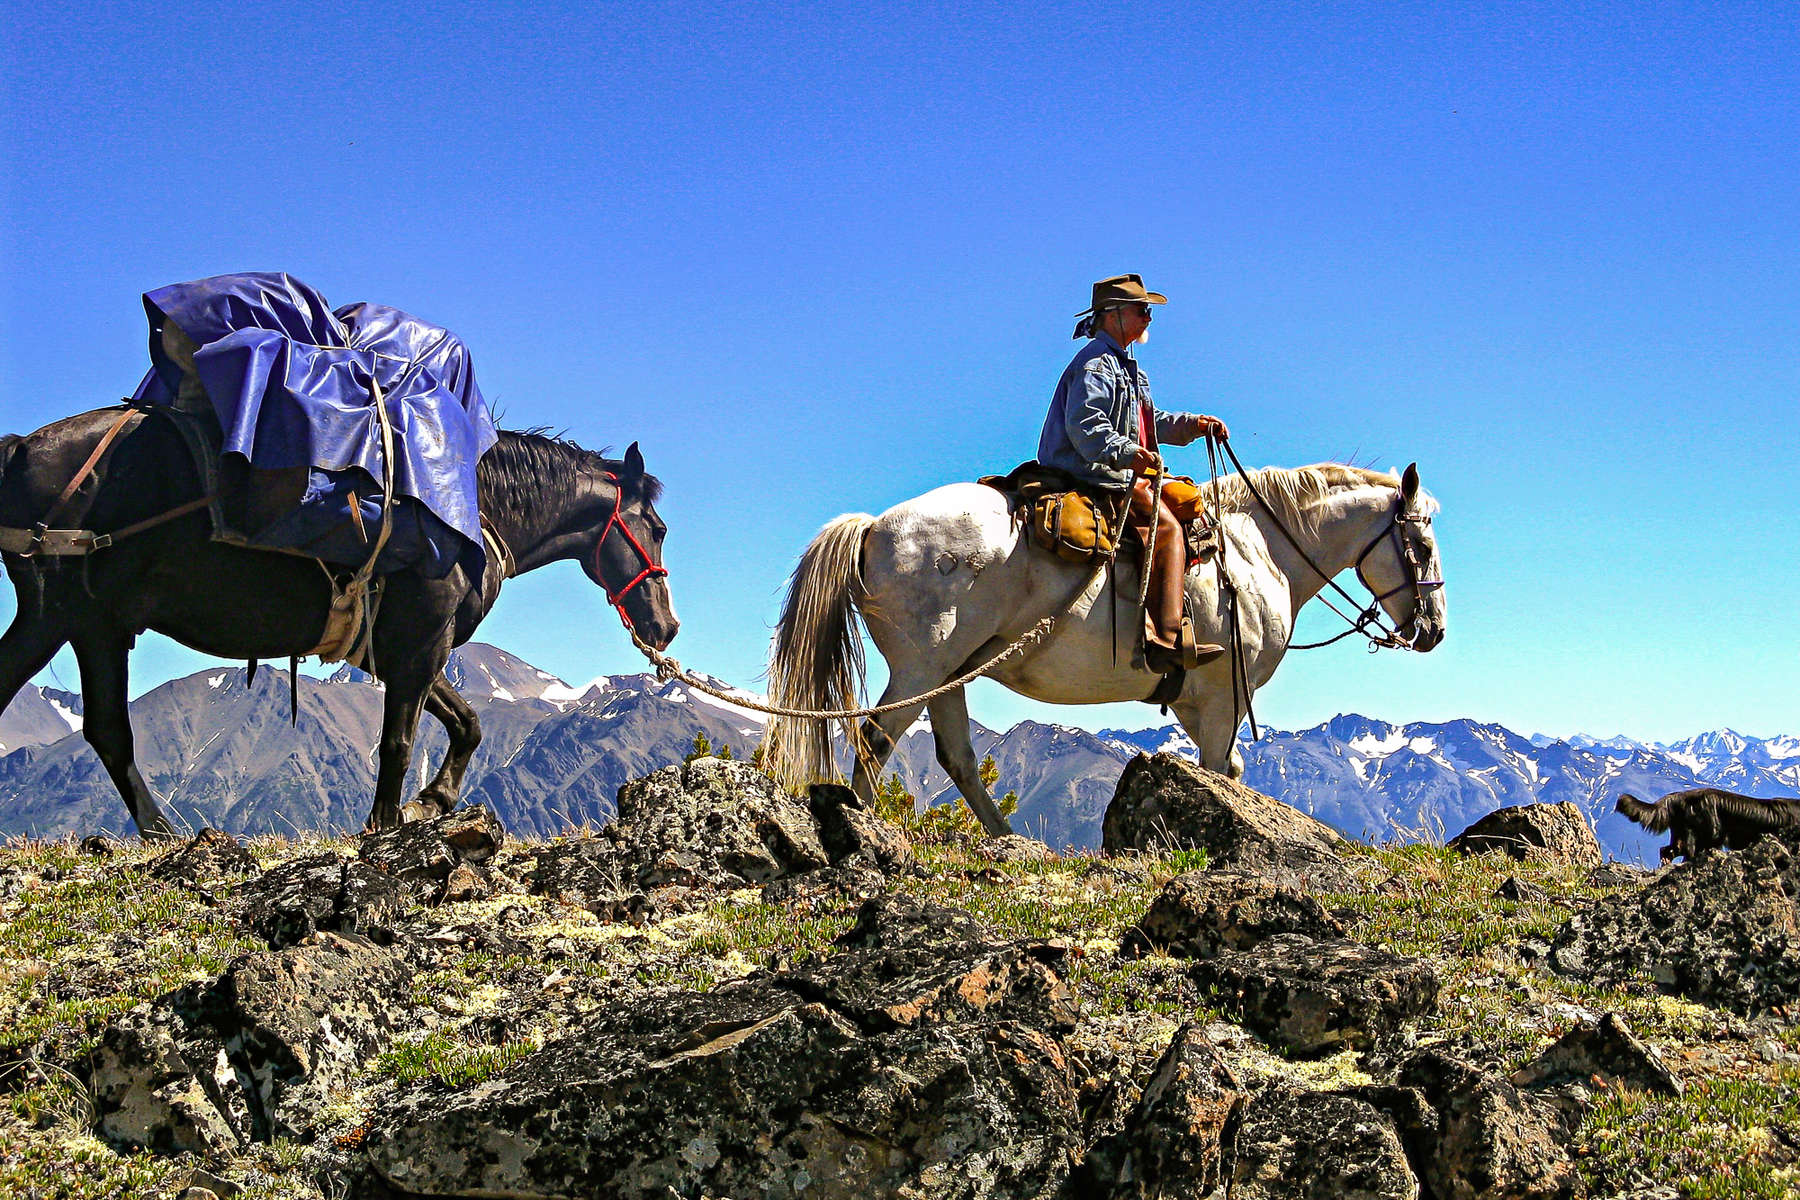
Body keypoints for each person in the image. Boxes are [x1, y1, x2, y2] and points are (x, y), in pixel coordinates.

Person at [1038, 274, 1229, 674]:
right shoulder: (1095, 365)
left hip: (1115, 468)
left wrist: (1194, 425)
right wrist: (1128, 455)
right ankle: (1167, 638)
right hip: (1091, 472)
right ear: (1115, 316)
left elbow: (1148, 423)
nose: (1149, 318)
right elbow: (1086, 426)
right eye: (1142, 310)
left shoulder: (1126, 368)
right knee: (1168, 528)